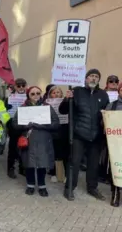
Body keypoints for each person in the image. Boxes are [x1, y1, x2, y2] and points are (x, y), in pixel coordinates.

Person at [59, 68, 109, 201]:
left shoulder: (103, 95)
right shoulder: (77, 92)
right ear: (86, 79)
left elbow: (107, 114)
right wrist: (66, 99)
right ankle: (69, 188)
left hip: (96, 135)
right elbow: (63, 111)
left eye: (96, 77)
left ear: (98, 80)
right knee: (74, 162)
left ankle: (92, 187)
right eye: (91, 76)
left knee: (93, 164)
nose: (93, 78)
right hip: (78, 134)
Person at [12, 86, 60, 197]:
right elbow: (14, 124)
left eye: (38, 93)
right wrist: (24, 125)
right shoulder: (23, 107)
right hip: (29, 140)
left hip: (43, 139)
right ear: (28, 95)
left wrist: (44, 125)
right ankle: (30, 185)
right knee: (30, 163)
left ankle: (42, 186)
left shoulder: (47, 107)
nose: (36, 96)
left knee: (42, 163)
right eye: (32, 94)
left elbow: (56, 123)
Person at [45, 86, 69, 183]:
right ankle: (53, 173)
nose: (56, 94)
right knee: (53, 153)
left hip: (64, 131)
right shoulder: (46, 104)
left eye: (58, 92)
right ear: (50, 95)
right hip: (52, 131)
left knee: (65, 154)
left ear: (61, 94)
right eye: (53, 93)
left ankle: (66, 174)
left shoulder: (67, 102)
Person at [7, 78, 28, 179]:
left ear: (26, 86)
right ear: (15, 86)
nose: (21, 87)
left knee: (24, 146)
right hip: (14, 125)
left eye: (23, 85)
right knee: (13, 147)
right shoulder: (10, 96)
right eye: (18, 85)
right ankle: (10, 168)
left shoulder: (29, 96)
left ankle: (22, 167)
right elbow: (5, 111)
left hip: (26, 125)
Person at [105, 82, 122, 207]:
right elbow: (105, 122)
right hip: (116, 143)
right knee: (116, 168)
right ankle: (116, 193)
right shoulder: (112, 105)